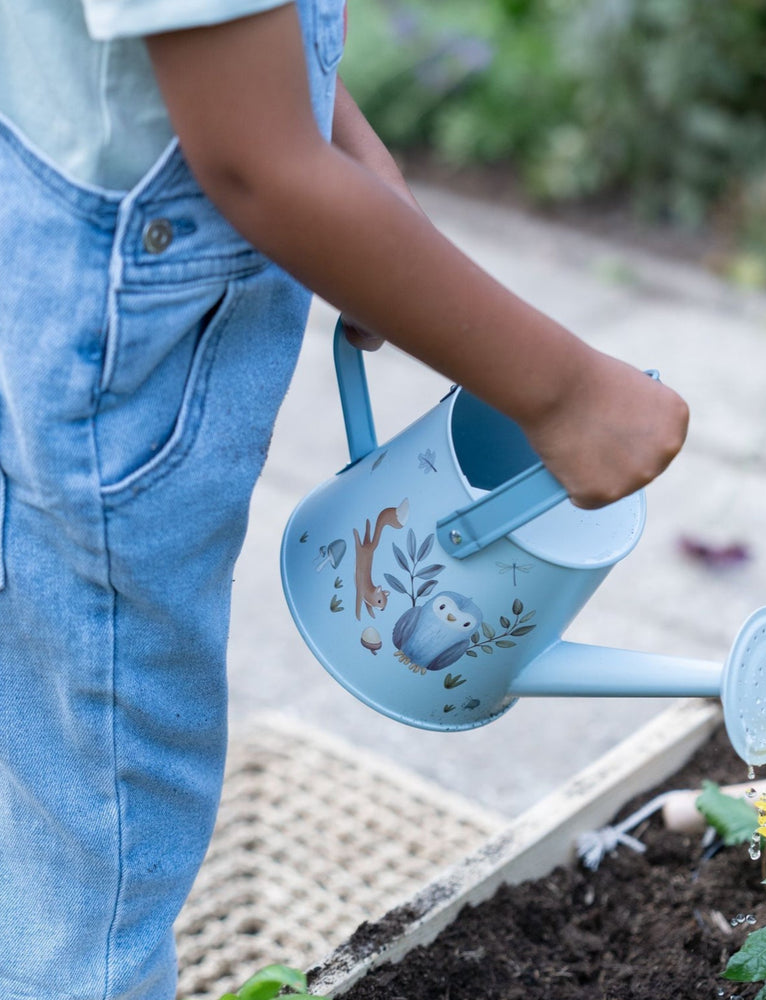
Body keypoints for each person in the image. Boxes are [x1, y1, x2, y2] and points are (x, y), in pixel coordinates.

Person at [0, 2, 689, 998]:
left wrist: (346, 154)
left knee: (43, 697)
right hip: (113, 351)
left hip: (45, 211)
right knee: (102, 828)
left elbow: (223, 49)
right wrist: (564, 392)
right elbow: (254, 163)